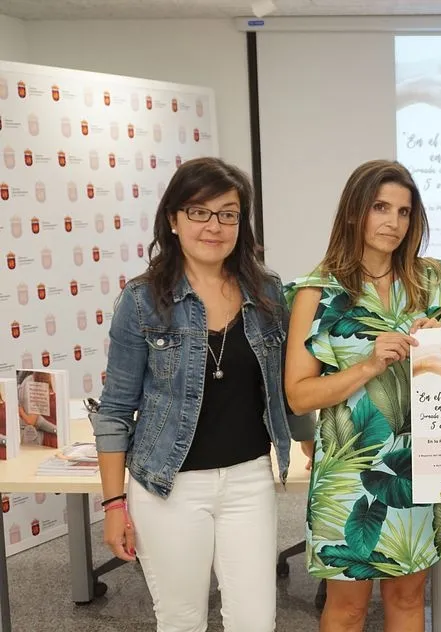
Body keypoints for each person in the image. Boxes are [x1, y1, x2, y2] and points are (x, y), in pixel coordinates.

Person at [90, 157, 314, 632]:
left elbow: (285, 389)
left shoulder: (269, 293)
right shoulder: (142, 300)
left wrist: (314, 451)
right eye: (199, 212)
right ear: (173, 219)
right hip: (168, 486)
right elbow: (113, 413)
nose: (214, 226)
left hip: (249, 480)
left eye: (228, 214)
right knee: (182, 620)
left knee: (255, 621)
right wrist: (113, 507)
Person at [283, 159, 441, 632]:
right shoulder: (317, 292)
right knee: (348, 607)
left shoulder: (430, 282)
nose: (393, 223)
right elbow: (298, 396)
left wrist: (439, 341)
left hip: (418, 461)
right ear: (356, 211)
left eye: (403, 212)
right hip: (348, 468)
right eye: (381, 207)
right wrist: (368, 364)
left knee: (408, 596)